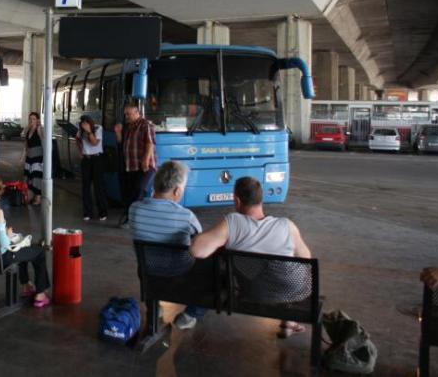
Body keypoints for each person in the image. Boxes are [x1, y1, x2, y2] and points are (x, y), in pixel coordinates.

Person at [189, 176, 312, 338]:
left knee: (251, 273)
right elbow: (306, 259)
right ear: (261, 200)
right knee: (280, 274)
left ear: (237, 200)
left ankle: (190, 314)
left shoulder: (233, 223)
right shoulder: (287, 226)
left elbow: (197, 251)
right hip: (290, 292)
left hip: (251, 292)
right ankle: (289, 321)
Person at [129, 161, 204, 330]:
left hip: (149, 274)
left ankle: (154, 307)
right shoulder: (187, 217)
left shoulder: (134, 209)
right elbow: (200, 244)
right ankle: (190, 315)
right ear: (177, 191)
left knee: (146, 261)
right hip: (180, 275)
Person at [0, 174, 51, 307]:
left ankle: (26, 286)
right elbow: (5, 245)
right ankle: (40, 294)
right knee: (39, 252)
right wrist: (7, 234)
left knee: (23, 248)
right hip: (0, 257)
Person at [115, 102, 156, 226]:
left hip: (145, 166)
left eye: (129, 114)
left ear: (137, 113)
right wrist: (118, 132)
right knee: (130, 192)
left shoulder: (145, 125)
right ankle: (130, 216)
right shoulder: (129, 127)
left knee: (139, 189)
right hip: (131, 166)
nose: (126, 116)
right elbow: (121, 143)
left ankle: (134, 218)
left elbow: (150, 143)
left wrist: (145, 160)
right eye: (125, 114)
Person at [76, 115, 109, 221]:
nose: (84, 125)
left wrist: (89, 132)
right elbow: (77, 139)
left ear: (90, 123)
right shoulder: (80, 131)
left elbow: (94, 143)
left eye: (86, 123)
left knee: (98, 186)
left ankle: (102, 212)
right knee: (85, 187)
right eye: (82, 124)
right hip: (86, 159)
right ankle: (87, 212)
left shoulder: (98, 128)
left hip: (97, 159)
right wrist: (80, 151)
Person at [22, 112, 44, 205]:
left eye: (34, 119)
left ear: (37, 120)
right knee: (28, 177)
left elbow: (44, 142)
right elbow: (26, 145)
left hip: (38, 157)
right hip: (29, 157)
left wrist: (45, 158)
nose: (31, 120)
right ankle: (31, 196)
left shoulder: (40, 129)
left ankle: (38, 198)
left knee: (36, 177)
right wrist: (23, 156)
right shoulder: (28, 130)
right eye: (30, 118)